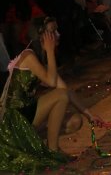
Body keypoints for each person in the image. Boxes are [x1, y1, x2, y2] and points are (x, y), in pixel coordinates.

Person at [0, 17, 101, 173]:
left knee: (76, 120)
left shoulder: (40, 59)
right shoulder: (28, 55)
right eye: (53, 31)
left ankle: (47, 144)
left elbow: (65, 89)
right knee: (60, 96)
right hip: (15, 120)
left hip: (26, 114)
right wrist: (50, 51)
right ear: (42, 36)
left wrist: (90, 115)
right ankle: (53, 149)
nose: (58, 34)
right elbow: (53, 83)